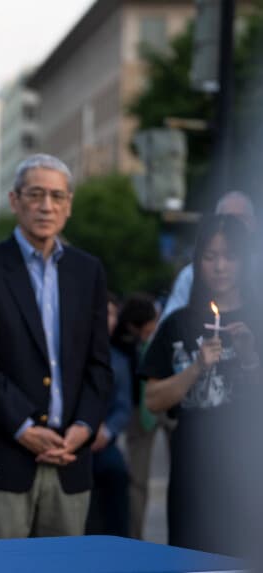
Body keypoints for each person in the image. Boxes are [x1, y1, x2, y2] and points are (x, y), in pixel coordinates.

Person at [0, 153, 112, 539]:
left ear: (69, 205)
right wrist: (24, 427)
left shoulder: (88, 271)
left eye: (57, 196)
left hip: (69, 460)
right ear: (15, 201)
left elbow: (99, 365)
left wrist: (84, 427)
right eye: (36, 194)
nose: (46, 206)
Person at [140, 214, 262, 555]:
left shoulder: (258, 317)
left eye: (230, 256)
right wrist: (196, 368)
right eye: (210, 257)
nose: (220, 266)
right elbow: (152, 399)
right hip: (194, 472)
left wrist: (250, 356)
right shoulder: (177, 324)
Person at [159, 191, 256, 324]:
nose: (220, 267)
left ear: (254, 223)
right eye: (210, 256)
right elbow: (169, 326)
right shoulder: (190, 276)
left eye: (240, 219)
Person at [111, 293, 161, 539]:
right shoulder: (119, 344)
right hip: (135, 411)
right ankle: (134, 536)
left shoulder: (154, 337)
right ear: (134, 326)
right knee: (137, 481)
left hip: (161, 405)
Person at [85, 293, 134, 537]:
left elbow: (124, 406)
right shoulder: (71, 354)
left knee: (118, 471)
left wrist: (106, 431)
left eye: (112, 314)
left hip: (104, 443)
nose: (106, 319)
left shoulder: (120, 361)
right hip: (70, 442)